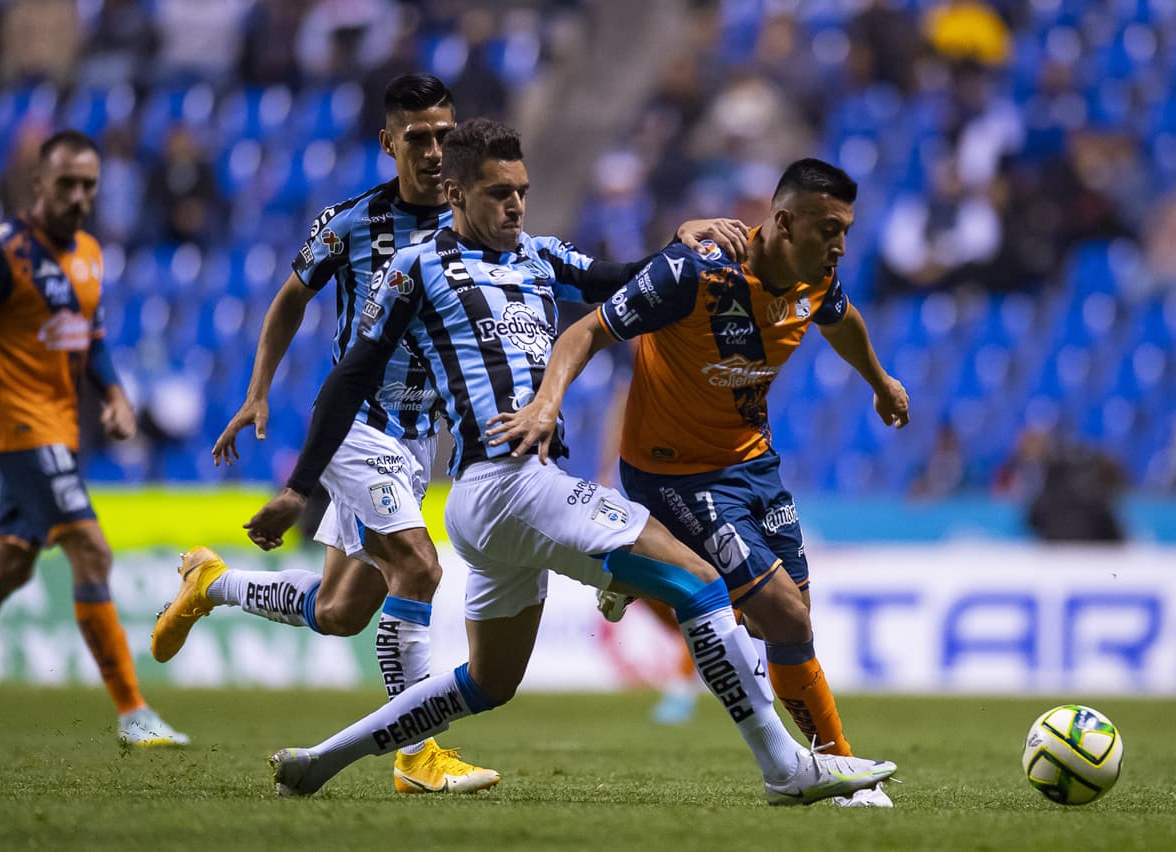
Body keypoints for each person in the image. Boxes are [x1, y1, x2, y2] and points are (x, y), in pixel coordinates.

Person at [241, 118, 896, 803]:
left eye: (522, 191)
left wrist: (684, 237)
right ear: (456, 193)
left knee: (488, 684)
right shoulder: (416, 268)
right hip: (501, 482)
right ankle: (785, 768)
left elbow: (632, 283)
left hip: (507, 498)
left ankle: (320, 759)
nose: (517, 206)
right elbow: (349, 377)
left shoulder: (538, 255)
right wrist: (300, 488)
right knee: (700, 586)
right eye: (499, 194)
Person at [153, 74, 751, 794]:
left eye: (444, 135)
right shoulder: (352, 225)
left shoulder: (491, 230)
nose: (434, 151)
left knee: (342, 612)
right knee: (421, 568)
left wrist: (676, 241)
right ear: (389, 143)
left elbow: (608, 280)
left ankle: (212, 584)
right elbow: (290, 302)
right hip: (357, 425)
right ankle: (417, 756)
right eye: (418, 139)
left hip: (418, 439)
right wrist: (258, 395)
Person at [488, 158, 910, 807]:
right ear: (784, 220)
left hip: (752, 466)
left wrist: (879, 381)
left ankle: (632, 571)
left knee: (785, 625)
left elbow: (841, 319)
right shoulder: (697, 271)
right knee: (783, 612)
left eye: (846, 230)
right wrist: (547, 403)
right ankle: (842, 775)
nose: (840, 245)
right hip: (672, 471)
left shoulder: (818, 275)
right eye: (829, 228)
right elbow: (588, 329)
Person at [0, 130, 186, 748]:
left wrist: (113, 394)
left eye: (89, 185)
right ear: (39, 186)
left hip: (63, 430)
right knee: (93, 550)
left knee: (8, 567)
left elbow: (93, 343)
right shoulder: (2, 253)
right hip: (17, 427)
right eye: (66, 184)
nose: (79, 196)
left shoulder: (89, 251)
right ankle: (133, 713)